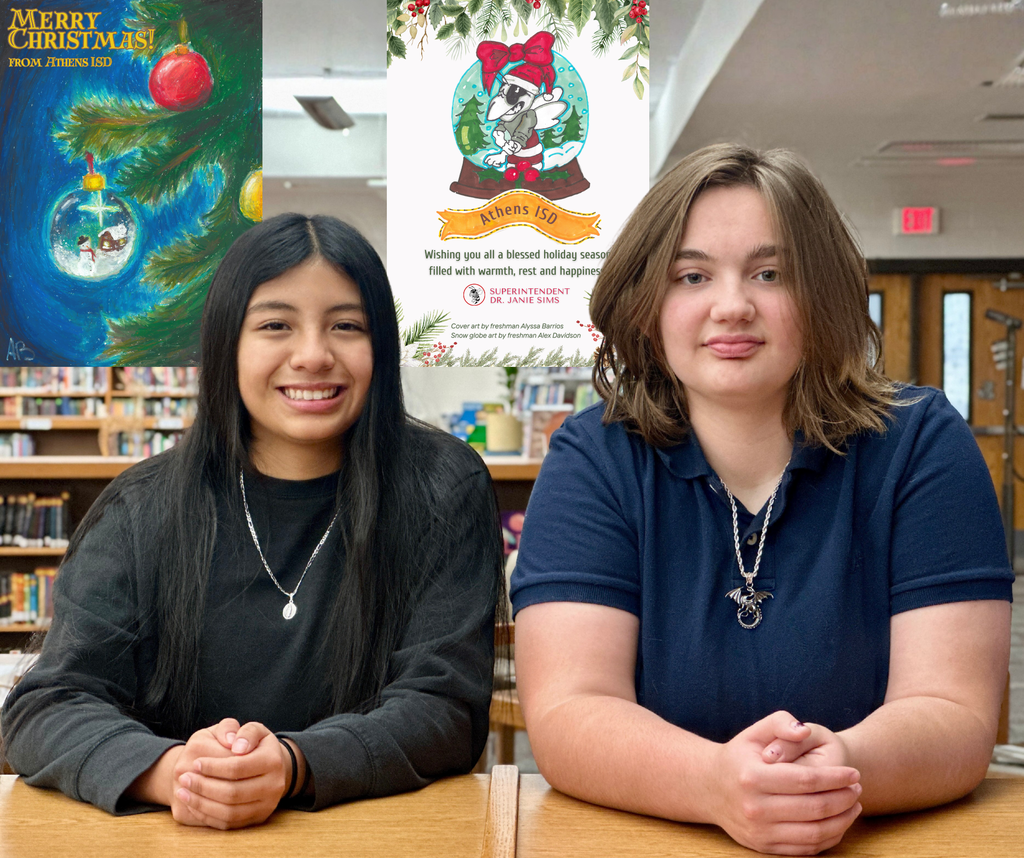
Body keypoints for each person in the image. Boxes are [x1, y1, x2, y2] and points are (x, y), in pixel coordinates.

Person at [509, 144, 1013, 855]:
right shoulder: (595, 458)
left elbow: (954, 714)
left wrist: (828, 773)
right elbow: (569, 712)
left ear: (825, 295)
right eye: (691, 275)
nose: (733, 305)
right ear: (647, 303)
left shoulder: (921, 445)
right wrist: (717, 782)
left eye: (770, 273)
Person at [1, 214, 504, 828]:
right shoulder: (145, 505)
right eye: (275, 325)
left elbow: (444, 706)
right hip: (174, 838)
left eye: (347, 325)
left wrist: (293, 764)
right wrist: (179, 773)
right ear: (226, 344)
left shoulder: (442, 488)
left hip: (370, 833)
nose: (314, 355)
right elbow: (49, 703)